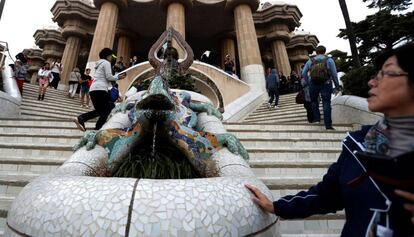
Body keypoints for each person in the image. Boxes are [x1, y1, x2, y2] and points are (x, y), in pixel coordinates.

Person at [245, 43, 414, 236]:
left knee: (320, 104)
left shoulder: (310, 62)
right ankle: (326, 123)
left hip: (315, 86)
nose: (372, 82)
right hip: (324, 86)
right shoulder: (358, 144)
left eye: (387, 73)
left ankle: (317, 119)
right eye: (376, 74)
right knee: (326, 104)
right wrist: (276, 206)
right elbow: (326, 195)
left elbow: (305, 74)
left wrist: (306, 85)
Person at [74, 48, 126, 131]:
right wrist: (118, 77)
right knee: (108, 108)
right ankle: (95, 127)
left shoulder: (98, 65)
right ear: (108, 56)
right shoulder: (106, 63)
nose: (112, 58)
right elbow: (109, 77)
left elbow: (104, 78)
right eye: (111, 56)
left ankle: (83, 119)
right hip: (100, 90)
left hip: (93, 90)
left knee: (101, 110)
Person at [302, 45, 340, 129]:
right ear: (324, 51)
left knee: (314, 102)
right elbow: (334, 74)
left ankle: (317, 119)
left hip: (313, 83)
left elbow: (303, 73)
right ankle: (328, 125)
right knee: (326, 103)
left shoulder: (310, 60)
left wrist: (308, 82)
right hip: (326, 83)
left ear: (316, 52)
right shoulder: (329, 60)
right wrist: (337, 86)